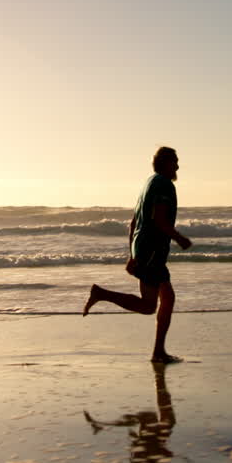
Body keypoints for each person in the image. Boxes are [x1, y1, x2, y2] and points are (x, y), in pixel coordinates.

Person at [82, 146, 193, 363]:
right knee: (149, 306)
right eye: (175, 162)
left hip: (145, 249)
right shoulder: (163, 185)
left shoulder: (148, 184)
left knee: (167, 298)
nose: (178, 166)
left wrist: (132, 253)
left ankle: (158, 352)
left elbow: (133, 222)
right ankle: (101, 294)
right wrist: (179, 237)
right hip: (152, 250)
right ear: (165, 163)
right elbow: (160, 220)